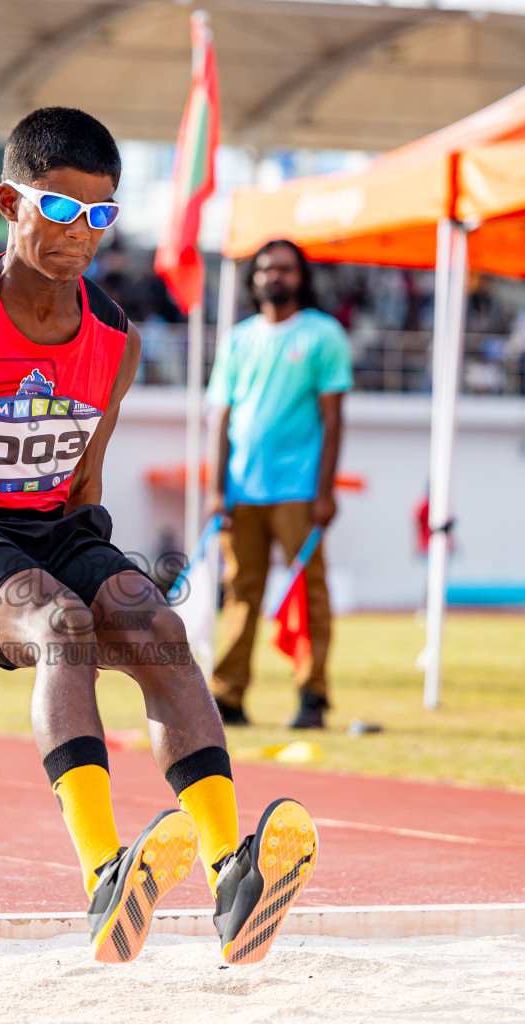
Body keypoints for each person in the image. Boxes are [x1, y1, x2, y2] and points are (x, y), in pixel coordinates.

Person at [0, 107, 317, 966]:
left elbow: (85, 478)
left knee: (155, 625)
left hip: (52, 527)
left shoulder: (116, 339)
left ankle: (234, 874)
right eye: (61, 210)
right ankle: (104, 876)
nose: (81, 234)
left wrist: (113, 584)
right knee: (62, 626)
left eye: (101, 215)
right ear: (11, 201)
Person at [205, 239, 352, 731]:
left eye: (286, 269)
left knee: (307, 593)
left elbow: (333, 420)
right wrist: (215, 490)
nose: (275, 276)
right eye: (266, 268)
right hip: (241, 491)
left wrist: (326, 492)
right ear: (254, 279)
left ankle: (312, 695)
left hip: (299, 491)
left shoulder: (323, 335)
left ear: (301, 277)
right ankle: (228, 696)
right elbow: (220, 418)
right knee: (240, 592)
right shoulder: (239, 339)